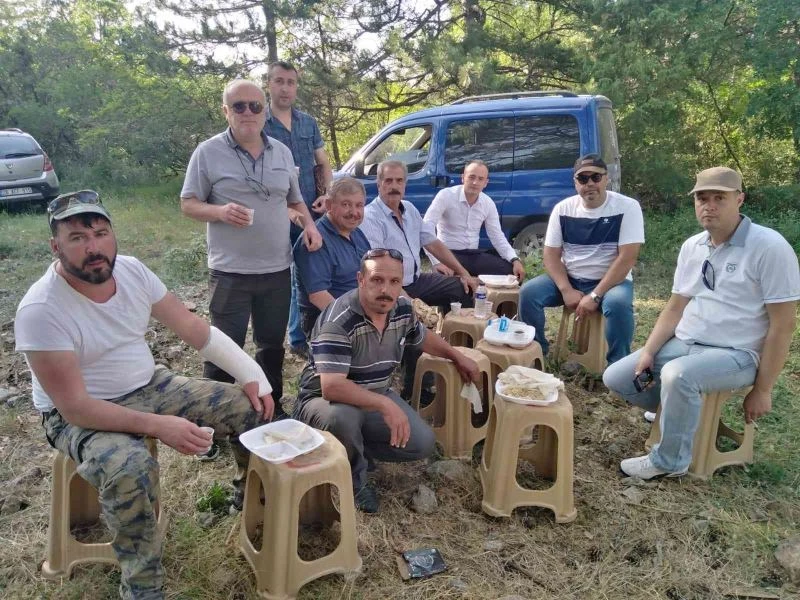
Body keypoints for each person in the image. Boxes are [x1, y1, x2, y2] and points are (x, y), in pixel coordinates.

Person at [14, 191, 274, 600]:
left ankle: (252, 504)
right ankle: (142, 586)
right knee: (130, 467)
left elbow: (193, 329)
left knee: (250, 407)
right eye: (78, 238)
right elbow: (75, 406)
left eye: (100, 233)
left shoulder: (133, 272)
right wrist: (159, 426)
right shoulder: (41, 310)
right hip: (76, 415)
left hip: (149, 384)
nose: (94, 247)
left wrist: (252, 374)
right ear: (56, 246)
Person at [603, 167, 799, 479]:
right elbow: (675, 307)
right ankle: (676, 410)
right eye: (702, 198)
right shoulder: (692, 246)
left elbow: (783, 325)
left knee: (678, 375)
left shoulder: (770, 247)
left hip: (738, 353)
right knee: (616, 376)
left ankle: (670, 462)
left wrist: (763, 388)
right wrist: (648, 351)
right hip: (687, 342)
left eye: (719, 198)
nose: (708, 205)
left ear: (740, 200)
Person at [293, 249, 480, 513]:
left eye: (394, 282)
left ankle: (351, 446)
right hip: (324, 400)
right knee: (342, 419)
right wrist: (385, 404)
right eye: (377, 280)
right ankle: (355, 481)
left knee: (422, 443)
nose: (386, 289)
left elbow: (421, 337)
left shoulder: (402, 308)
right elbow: (331, 386)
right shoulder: (338, 320)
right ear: (360, 279)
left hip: (373, 393)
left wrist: (456, 356)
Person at [180, 79, 322, 418]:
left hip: (275, 270)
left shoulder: (282, 152)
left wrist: (311, 225)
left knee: (271, 346)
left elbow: (295, 199)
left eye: (255, 106)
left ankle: (270, 410)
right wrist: (219, 211)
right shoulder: (208, 152)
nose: (248, 112)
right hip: (230, 273)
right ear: (226, 111)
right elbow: (187, 203)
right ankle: (212, 419)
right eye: (239, 106)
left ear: (264, 111)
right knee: (223, 348)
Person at [518, 154, 644, 365]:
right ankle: (538, 355)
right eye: (583, 179)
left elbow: (627, 259)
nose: (590, 184)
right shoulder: (563, 209)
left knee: (618, 305)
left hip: (612, 282)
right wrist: (566, 289)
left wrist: (595, 296)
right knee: (528, 293)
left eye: (595, 177)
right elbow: (550, 255)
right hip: (572, 278)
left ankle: (617, 367)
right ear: (575, 183)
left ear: (606, 179)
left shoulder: (627, 207)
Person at [263, 61, 334, 359]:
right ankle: (282, 338)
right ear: (269, 84)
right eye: (279, 81)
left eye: (291, 82)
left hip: (311, 211)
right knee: (284, 275)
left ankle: (300, 335)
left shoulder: (308, 122)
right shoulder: (259, 123)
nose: (285, 88)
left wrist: (327, 194)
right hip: (276, 211)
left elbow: (323, 162)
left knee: (308, 271)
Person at [360, 160, 478, 308]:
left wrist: (463, 272)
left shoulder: (409, 209)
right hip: (390, 288)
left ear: (405, 184)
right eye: (388, 181)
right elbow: (379, 268)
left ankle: (454, 330)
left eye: (399, 181)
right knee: (413, 317)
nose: (394, 186)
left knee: (463, 287)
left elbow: (432, 243)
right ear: (379, 184)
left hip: (416, 281)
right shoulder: (370, 216)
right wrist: (409, 302)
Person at [293, 176, 371, 339]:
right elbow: (318, 297)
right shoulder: (314, 240)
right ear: (328, 205)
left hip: (361, 308)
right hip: (327, 318)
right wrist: (358, 325)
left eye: (359, 205)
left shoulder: (356, 233)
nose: (354, 212)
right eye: (346, 204)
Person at [423, 160, 525, 281]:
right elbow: (426, 229)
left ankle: (480, 290)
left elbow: (497, 236)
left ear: (486, 183)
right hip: (448, 254)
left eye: (480, 179)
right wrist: (437, 261)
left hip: (473, 255)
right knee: (444, 280)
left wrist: (514, 260)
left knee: (510, 272)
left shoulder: (488, 203)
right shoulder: (446, 196)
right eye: (471, 177)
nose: (475, 182)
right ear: (463, 178)